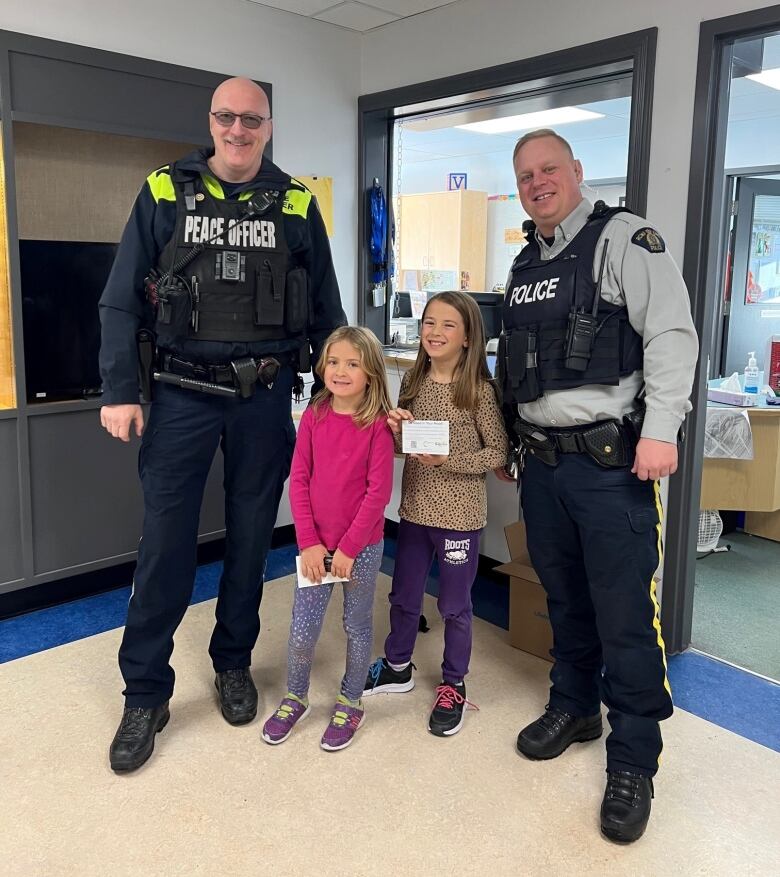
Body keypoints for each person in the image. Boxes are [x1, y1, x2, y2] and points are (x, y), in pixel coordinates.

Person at [99, 77, 345, 772]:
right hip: (179, 395)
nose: (238, 129)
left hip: (263, 397)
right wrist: (122, 389)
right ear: (212, 120)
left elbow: (327, 311)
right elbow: (120, 302)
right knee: (166, 546)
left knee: (249, 542)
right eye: (227, 117)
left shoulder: (297, 201)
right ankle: (146, 691)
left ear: (268, 125)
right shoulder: (164, 191)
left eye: (252, 119)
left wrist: (341, 395)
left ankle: (233, 661)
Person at [499, 129, 698, 843]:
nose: (537, 181)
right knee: (564, 598)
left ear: (577, 172)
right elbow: (515, 362)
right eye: (525, 174)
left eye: (549, 169)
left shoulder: (624, 238)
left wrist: (662, 429)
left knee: (623, 614)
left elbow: (672, 337)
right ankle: (575, 705)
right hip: (541, 466)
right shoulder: (526, 261)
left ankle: (634, 759)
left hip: (611, 464)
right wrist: (504, 435)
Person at [362, 291, 508, 737]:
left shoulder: (480, 391)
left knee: (454, 605)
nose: (435, 332)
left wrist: (451, 462)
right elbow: (408, 449)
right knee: (404, 594)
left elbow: (498, 452)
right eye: (429, 322)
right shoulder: (412, 383)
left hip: (460, 517)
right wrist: (395, 432)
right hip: (415, 510)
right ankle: (398, 664)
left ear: (467, 337)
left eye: (448, 325)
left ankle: (453, 683)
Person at [261, 326, 394, 751]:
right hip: (315, 547)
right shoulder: (315, 416)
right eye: (333, 362)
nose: (340, 371)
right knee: (302, 633)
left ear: (370, 373)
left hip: (362, 548)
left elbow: (378, 494)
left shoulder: (376, 427)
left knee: (356, 627)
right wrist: (309, 542)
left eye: (352, 364)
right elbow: (298, 480)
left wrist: (350, 549)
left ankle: (351, 701)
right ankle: (295, 696)